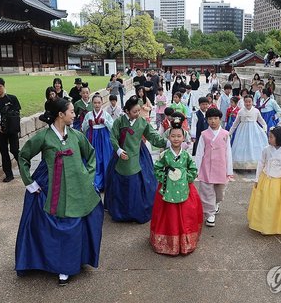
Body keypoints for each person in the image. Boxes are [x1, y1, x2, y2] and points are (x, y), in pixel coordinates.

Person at [16, 98, 103, 286]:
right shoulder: (44, 137)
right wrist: (29, 182)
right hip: (54, 189)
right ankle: (60, 266)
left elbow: (91, 154)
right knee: (58, 228)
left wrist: (88, 178)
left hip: (77, 189)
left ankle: (73, 262)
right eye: (71, 112)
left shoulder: (77, 135)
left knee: (78, 223)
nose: (74, 114)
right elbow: (23, 156)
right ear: (60, 115)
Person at [105, 95, 168, 223]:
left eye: (139, 111)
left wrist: (168, 142)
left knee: (139, 182)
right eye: (135, 111)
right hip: (121, 154)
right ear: (127, 111)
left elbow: (153, 137)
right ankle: (120, 211)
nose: (138, 113)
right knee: (118, 181)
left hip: (138, 154)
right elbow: (113, 137)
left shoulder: (142, 122)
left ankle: (135, 211)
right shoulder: (119, 121)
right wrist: (118, 150)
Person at [150, 117, 203, 255]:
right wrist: (164, 178)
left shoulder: (186, 156)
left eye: (179, 136)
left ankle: (184, 241)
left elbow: (193, 170)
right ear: (168, 137)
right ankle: (168, 242)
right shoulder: (165, 155)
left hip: (185, 188)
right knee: (169, 216)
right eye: (173, 136)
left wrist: (187, 179)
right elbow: (157, 169)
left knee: (187, 215)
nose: (176, 139)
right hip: (167, 189)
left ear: (183, 137)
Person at [247, 126, 281, 235]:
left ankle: (275, 225)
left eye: (271, 137)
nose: (269, 139)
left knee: (276, 203)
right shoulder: (266, 150)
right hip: (266, 179)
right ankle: (263, 224)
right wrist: (257, 179)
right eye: (269, 137)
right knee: (264, 202)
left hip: (280, 181)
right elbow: (261, 164)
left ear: (279, 138)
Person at [195, 108, 233, 227]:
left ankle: (216, 203)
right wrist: (196, 168)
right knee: (207, 191)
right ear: (207, 120)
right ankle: (210, 214)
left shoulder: (225, 134)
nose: (213, 121)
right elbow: (200, 152)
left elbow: (228, 153)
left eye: (215, 118)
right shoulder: (204, 135)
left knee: (219, 191)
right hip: (207, 167)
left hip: (221, 167)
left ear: (220, 120)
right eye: (210, 119)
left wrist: (229, 170)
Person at [82, 94, 114, 192]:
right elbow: (83, 128)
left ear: (102, 102)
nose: (97, 105)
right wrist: (89, 123)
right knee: (94, 160)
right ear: (92, 103)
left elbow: (112, 127)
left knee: (105, 159)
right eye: (95, 103)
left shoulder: (106, 114)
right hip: (92, 138)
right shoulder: (88, 115)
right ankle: (95, 183)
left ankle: (106, 182)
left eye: (99, 102)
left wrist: (104, 122)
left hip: (104, 138)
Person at [228, 95, 268, 169]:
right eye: (246, 102)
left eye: (249, 102)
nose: (248, 103)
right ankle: (241, 164)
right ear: (244, 102)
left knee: (253, 145)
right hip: (242, 132)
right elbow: (235, 124)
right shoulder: (240, 111)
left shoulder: (256, 111)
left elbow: (262, 121)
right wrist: (229, 133)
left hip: (254, 131)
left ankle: (254, 164)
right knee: (242, 146)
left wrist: (264, 129)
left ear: (252, 102)